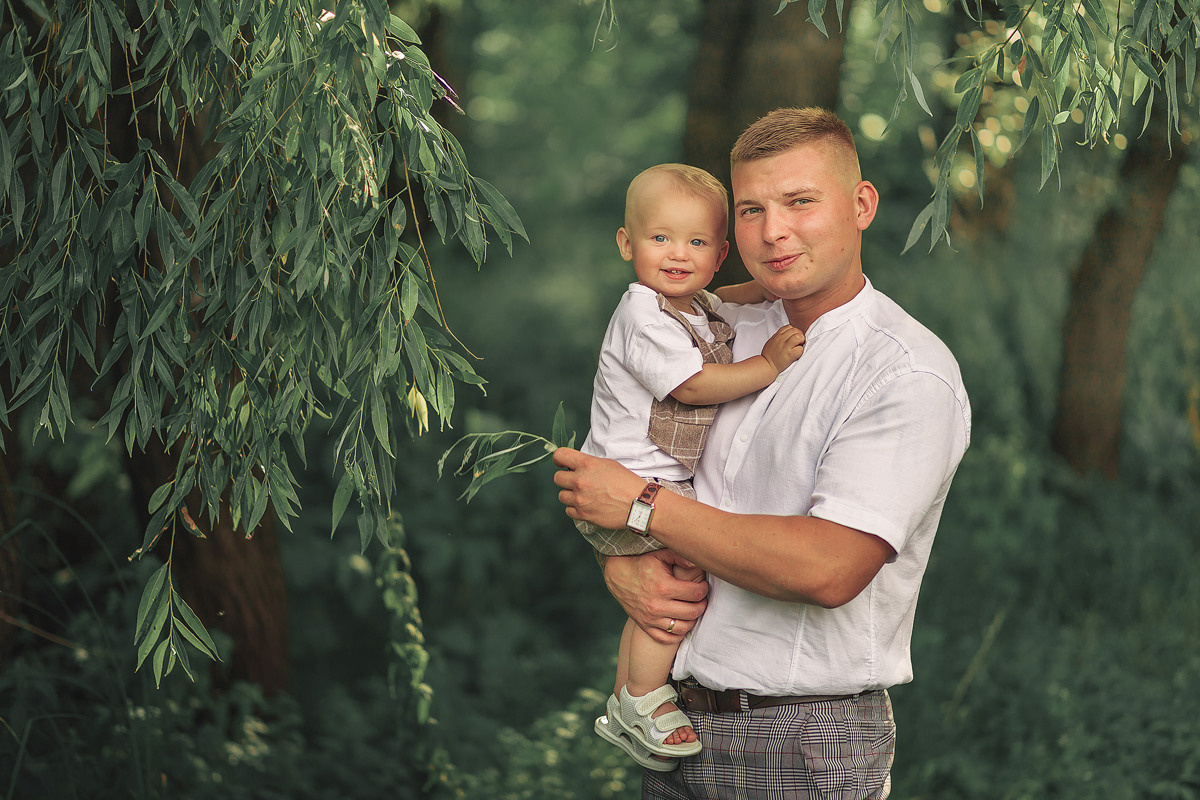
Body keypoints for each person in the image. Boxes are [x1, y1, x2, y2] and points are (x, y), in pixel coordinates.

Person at [553, 107, 972, 799]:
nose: (773, 231)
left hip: (803, 741)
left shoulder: (905, 373)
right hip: (673, 723)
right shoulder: (717, 326)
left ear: (861, 204)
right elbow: (616, 460)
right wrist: (617, 561)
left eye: (800, 202)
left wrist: (641, 510)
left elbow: (828, 569)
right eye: (750, 210)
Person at [578, 163, 805, 771]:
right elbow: (696, 384)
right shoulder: (642, 315)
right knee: (675, 586)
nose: (678, 254)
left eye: (697, 243)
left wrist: (761, 289)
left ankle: (630, 697)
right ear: (627, 244)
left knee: (665, 580)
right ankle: (642, 695)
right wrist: (770, 366)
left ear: (719, 253)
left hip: (646, 480)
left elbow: (716, 302)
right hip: (630, 484)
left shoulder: (687, 303)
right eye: (660, 239)